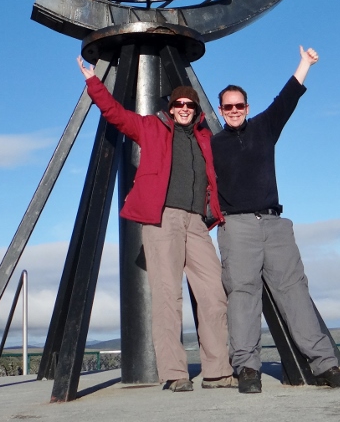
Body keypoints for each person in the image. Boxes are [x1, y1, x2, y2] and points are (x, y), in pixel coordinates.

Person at [77, 57, 235, 392]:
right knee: (167, 296)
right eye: (178, 103)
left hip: (197, 222)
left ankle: (218, 370)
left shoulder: (203, 138)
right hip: (162, 218)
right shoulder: (151, 128)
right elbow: (116, 115)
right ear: (171, 106)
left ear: (195, 109)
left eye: (189, 105)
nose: (183, 108)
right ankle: (175, 373)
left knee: (214, 294)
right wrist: (93, 82)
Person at [212, 46, 340, 394]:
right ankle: (247, 369)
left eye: (239, 105)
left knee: (295, 293)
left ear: (247, 107)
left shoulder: (264, 127)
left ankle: (324, 365)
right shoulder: (212, 145)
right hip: (237, 227)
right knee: (242, 295)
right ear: (220, 110)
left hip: (275, 225)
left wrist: (304, 64)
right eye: (228, 107)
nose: (234, 111)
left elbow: (287, 98)